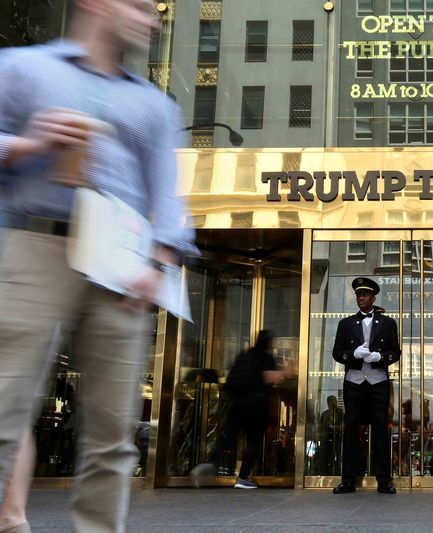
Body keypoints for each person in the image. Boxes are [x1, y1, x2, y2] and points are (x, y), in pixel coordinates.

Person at [0, 0, 197, 529]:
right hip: (34, 245)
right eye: (135, 6)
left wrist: (162, 256)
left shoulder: (155, 105)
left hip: (120, 268)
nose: (150, 19)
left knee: (112, 438)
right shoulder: (21, 68)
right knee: (3, 412)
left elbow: (169, 195)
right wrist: (28, 144)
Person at [192, 330, 290, 489]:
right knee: (253, 443)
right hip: (257, 408)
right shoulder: (266, 358)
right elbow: (270, 379)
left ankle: (210, 464)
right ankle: (243, 477)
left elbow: (232, 381)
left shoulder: (244, 356)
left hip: (237, 406)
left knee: (228, 438)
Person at [331, 277, 401, 494]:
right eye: (358, 295)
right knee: (351, 431)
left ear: (373, 297)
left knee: (380, 431)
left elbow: (395, 352)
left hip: (378, 382)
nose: (361, 298)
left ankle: (383, 481)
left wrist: (380, 357)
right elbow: (337, 352)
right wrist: (353, 354)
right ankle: (349, 480)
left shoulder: (388, 323)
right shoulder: (346, 323)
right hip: (354, 382)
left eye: (365, 295)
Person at [316, 395, 344, 475]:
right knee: (325, 457)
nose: (331, 403)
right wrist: (317, 436)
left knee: (337, 458)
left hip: (337, 439)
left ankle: (337, 474)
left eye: (333, 401)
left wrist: (334, 427)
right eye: (329, 402)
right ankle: (324, 474)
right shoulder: (325, 414)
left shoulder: (340, 413)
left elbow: (344, 426)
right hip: (325, 439)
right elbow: (320, 426)